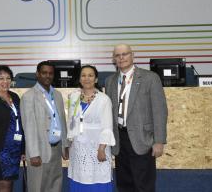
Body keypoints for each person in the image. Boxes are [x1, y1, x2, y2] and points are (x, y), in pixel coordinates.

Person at [105, 44, 168, 192]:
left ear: (132, 55)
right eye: (118, 55)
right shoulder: (110, 81)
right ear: (114, 59)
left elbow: (160, 111)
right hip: (119, 139)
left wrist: (159, 141)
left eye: (125, 54)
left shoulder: (150, 78)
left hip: (142, 139)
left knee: (143, 185)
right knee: (124, 184)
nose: (121, 58)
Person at [20, 61, 69, 192]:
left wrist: (65, 145)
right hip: (39, 151)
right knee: (37, 187)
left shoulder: (57, 95)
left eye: (50, 73)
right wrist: (33, 153)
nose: (47, 76)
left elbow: (61, 121)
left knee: (55, 186)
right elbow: (28, 127)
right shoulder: (28, 96)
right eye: (44, 73)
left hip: (56, 150)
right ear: (37, 74)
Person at [66, 65, 115, 191]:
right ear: (79, 79)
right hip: (78, 148)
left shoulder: (104, 99)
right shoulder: (74, 97)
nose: (86, 78)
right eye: (83, 75)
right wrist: (69, 142)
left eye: (90, 75)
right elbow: (71, 121)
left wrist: (102, 148)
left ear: (96, 79)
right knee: (79, 179)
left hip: (97, 148)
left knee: (98, 180)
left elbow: (107, 126)